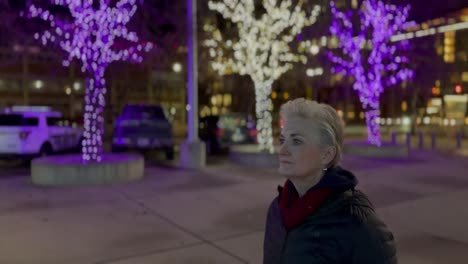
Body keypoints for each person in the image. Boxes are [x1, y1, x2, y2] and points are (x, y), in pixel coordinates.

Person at [263, 98, 397, 264]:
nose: (282, 150)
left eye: (296, 141)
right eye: (282, 140)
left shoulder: (357, 223)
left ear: (326, 155)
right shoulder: (277, 210)